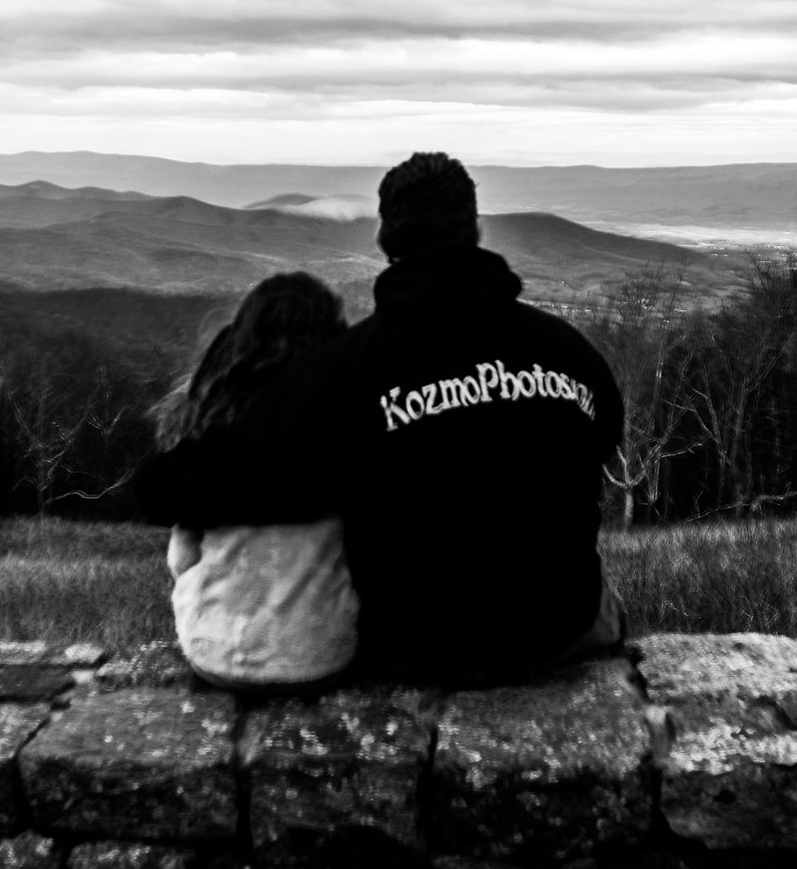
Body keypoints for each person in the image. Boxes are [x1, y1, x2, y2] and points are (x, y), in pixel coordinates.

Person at [138, 152, 626, 684]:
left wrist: (155, 482)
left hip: (420, 645)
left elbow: (218, 475)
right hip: (561, 627)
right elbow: (605, 439)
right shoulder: (569, 351)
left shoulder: (346, 370)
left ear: (384, 239)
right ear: (476, 230)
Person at [151, 271, 360, 690]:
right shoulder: (346, 429)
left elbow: (181, 557)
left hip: (213, 652)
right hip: (324, 654)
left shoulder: (209, 440)